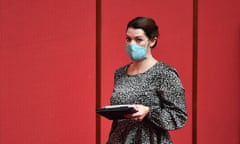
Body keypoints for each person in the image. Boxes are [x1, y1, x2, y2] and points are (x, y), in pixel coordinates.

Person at [107, 17, 188, 144]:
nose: (132, 44)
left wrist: (149, 112)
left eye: (138, 40)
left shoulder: (164, 73)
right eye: (128, 39)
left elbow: (179, 116)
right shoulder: (120, 73)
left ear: (152, 41)